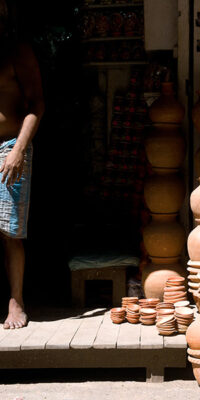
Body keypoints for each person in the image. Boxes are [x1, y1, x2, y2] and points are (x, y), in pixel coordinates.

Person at [0, 2, 45, 329]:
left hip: (9, 148)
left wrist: (19, 148)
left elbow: (37, 104)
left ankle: (16, 301)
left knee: (10, 231)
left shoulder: (18, 52)